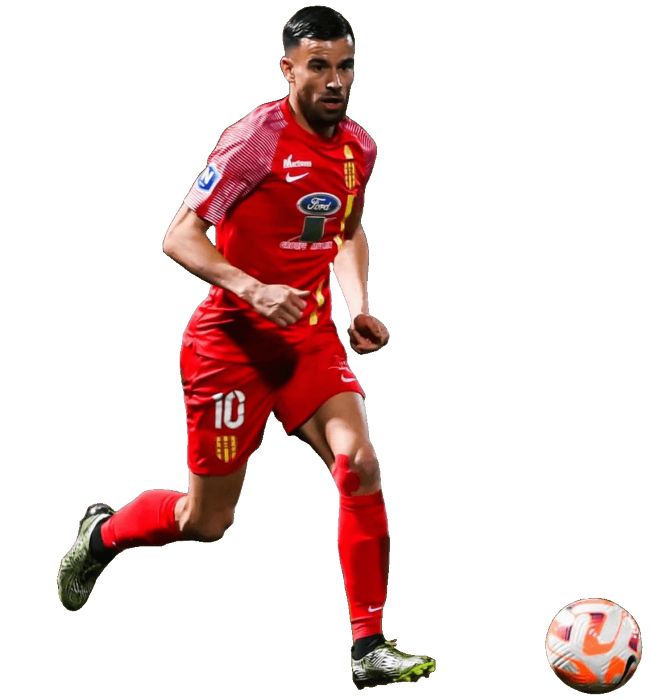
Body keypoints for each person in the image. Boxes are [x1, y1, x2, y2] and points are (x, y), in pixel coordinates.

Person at [57, 6, 435, 689]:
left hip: (309, 338)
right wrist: (252, 288)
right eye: (318, 66)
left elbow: (347, 231)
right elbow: (179, 236)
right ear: (288, 69)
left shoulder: (360, 148)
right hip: (229, 347)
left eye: (345, 65)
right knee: (206, 522)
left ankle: (368, 647)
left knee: (359, 465)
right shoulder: (254, 140)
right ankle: (103, 535)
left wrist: (359, 305)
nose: (335, 81)